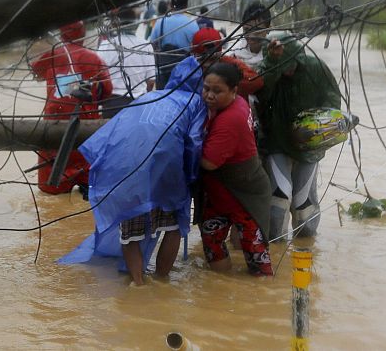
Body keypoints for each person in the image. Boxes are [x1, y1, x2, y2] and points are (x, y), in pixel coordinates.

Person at [57, 62, 206, 285]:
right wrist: (192, 177)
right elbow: (194, 143)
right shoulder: (196, 102)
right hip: (168, 169)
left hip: (125, 167)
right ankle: (162, 280)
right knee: (173, 227)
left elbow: (113, 130)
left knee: (128, 225)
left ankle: (138, 283)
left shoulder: (150, 96)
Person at [258, 31, 342, 239]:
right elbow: (260, 94)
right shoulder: (267, 71)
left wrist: (321, 132)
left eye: (291, 65)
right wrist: (272, 64)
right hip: (277, 140)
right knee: (279, 198)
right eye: (282, 66)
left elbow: (333, 103)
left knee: (303, 202)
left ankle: (305, 246)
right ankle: (274, 247)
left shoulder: (316, 68)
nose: (288, 71)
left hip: (310, 146)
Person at [198, 62, 273, 276]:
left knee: (257, 258)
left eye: (217, 91)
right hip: (221, 195)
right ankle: (221, 296)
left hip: (245, 196)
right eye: (206, 88)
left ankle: (259, 304)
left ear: (234, 90)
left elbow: (209, 163)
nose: (209, 96)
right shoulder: (236, 103)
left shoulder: (230, 119)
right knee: (213, 246)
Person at [30, 21, 112, 195]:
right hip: (85, 133)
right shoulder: (94, 58)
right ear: (82, 35)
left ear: (61, 35)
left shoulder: (52, 55)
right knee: (90, 196)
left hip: (54, 132)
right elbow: (107, 91)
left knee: (51, 197)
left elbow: (36, 72)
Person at [97, 6, 156, 118]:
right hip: (138, 103)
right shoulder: (145, 45)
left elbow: (98, 78)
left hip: (111, 104)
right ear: (137, 24)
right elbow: (151, 82)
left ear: (114, 25)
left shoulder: (105, 46)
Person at [189, 27, 263, 100]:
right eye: (202, 59)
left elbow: (257, 82)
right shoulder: (187, 71)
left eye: (212, 59)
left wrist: (228, 78)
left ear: (220, 54)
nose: (207, 65)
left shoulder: (230, 64)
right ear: (193, 55)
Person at [149, 0, 199, 88]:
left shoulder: (161, 22)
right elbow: (196, 48)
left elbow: (152, 44)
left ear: (170, 4)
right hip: (184, 74)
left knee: (163, 99)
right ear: (186, 5)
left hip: (163, 71)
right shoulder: (192, 24)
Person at [230, 1, 272, 69]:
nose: (251, 35)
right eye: (247, 29)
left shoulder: (273, 53)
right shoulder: (234, 52)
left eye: (257, 30)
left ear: (268, 29)